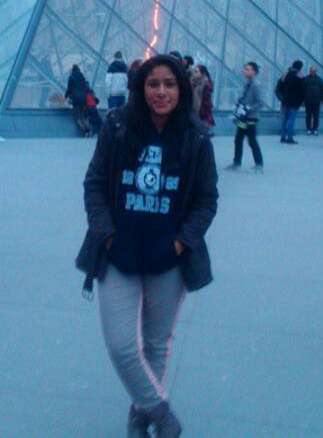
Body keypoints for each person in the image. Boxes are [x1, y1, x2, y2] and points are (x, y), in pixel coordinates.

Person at [76, 55, 218, 438]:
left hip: (168, 259)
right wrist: (106, 234)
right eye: (152, 84)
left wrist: (178, 244)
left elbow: (206, 200)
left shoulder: (196, 136)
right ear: (140, 87)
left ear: (182, 88)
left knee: (156, 344)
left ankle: (139, 417)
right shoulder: (119, 126)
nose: (161, 92)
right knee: (122, 345)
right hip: (117, 253)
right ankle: (159, 410)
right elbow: (94, 184)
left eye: (169, 84)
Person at [228, 62, 264, 172]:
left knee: (252, 140)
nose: (246, 71)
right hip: (243, 118)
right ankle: (237, 162)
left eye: (249, 69)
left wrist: (248, 109)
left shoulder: (255, 85)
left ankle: (258, 164)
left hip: (250, 118)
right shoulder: (248, 83)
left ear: (254, 71)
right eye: (245, 69)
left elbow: (260, 103)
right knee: (238, 139)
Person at [279, 60, 305, 144]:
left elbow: (279, 87)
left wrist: (281, 97)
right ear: (300, 67)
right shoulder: (299, 76)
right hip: (294, 102)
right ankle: (289, 137)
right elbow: (302, 90)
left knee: (284, 119)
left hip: (285, 101)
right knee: (291, 120)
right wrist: (301, 101)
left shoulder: (285, 75)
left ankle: (283, 137)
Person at [66, 65, 91, 137]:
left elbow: (69, 89)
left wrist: (66, 96)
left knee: (77, 117)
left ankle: (85, 131)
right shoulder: (82, 77)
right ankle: (89, 129)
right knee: (83, 116)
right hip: (84, 100)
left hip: (76, 99)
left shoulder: (71, 77)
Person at [303, 66, 323, 135]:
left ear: (316, 71)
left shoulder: (319, 79)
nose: (312, 72)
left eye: (314, 71)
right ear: (309, 71)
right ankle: (308, 129)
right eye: (311, 71)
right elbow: (302, 89)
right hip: (308, 100)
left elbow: (322, 90)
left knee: (316, 116)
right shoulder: (306, 79)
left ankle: (315, 129)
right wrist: (303, 100)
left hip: (316, 100)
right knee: (308, 115)